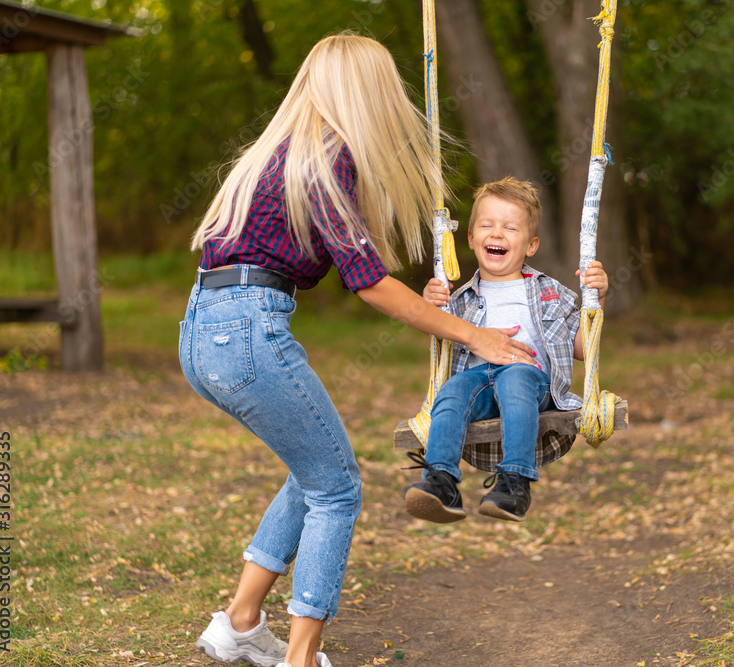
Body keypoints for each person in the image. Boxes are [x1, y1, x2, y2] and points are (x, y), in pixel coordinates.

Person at [179, 35, 537, 667]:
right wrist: (472, 334)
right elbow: (368, 282)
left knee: (312, 471)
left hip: (203, 328)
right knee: (338, 487)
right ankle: (300, 658)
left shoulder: (282, 152)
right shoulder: (326, 157)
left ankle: (239, 622)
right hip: (246, 332)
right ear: (367, 90)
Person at [403, 177, 608, 524]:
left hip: (531, 381)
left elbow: (582, 349)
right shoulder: (459, 300)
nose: (497, 233)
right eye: (487, 225)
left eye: (510, 227)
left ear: (531, 245)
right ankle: (441, 482)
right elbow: (434, 331)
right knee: (451, 391)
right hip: (478, 382)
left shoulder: (550, 292)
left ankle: (515, 482)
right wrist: (429, 306)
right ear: (470, 238)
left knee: (515, 378)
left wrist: (597, 299)